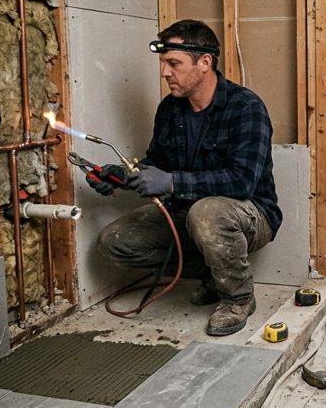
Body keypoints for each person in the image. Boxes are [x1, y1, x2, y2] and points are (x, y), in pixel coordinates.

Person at [88, 19, 282, 336]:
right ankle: (212, 273)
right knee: (114, 242)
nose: (165, 72)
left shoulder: (245, 107)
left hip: (249, 214)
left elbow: (242, 181)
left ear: (204, 62)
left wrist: (172, 182)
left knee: (205, 213)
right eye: (164, 63)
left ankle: (238, 299)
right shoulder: (170, 109)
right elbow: (157, 161)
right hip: (187, 213)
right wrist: (122, 176)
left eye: (173, 63)